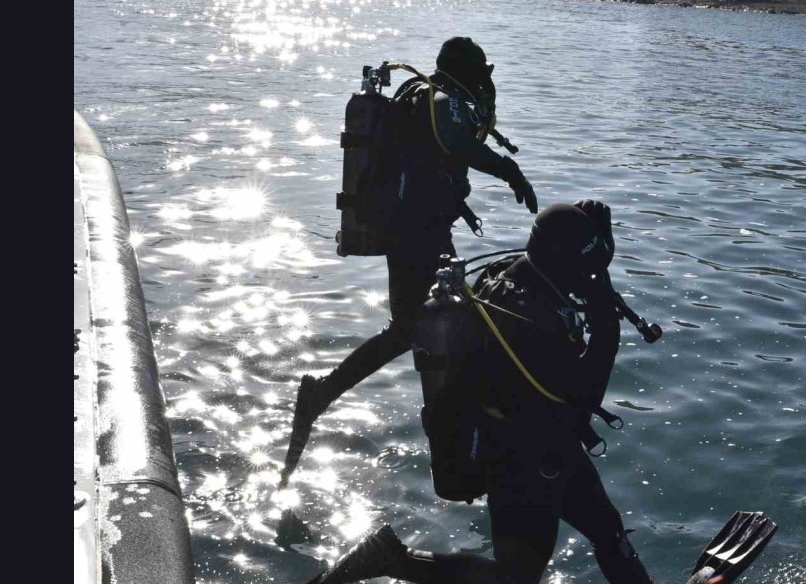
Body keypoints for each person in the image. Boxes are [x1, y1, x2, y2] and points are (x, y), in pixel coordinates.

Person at [307, 201, 653, 584]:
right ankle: (391, 559)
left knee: (609, 534)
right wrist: (608, 328)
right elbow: (583, 397)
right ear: (564, 263)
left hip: (551, 447)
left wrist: (597, 244)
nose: (589, 279)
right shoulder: (532, 322)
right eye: (584, 269)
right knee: (515, 578)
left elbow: (575, 265)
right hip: (520, 464)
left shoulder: (515, 275)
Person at [280, 37, 538, 488]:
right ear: (468, 73)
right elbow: (456, 143)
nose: (486, 83)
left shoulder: (421, 98)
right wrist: (508, 169)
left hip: (420, 230)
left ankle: (333, 396)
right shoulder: (438, 99)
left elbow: (436, 158)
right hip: (414, 235)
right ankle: (454, 434)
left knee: (430, 325)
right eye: (482, 73)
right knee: (438, 324)